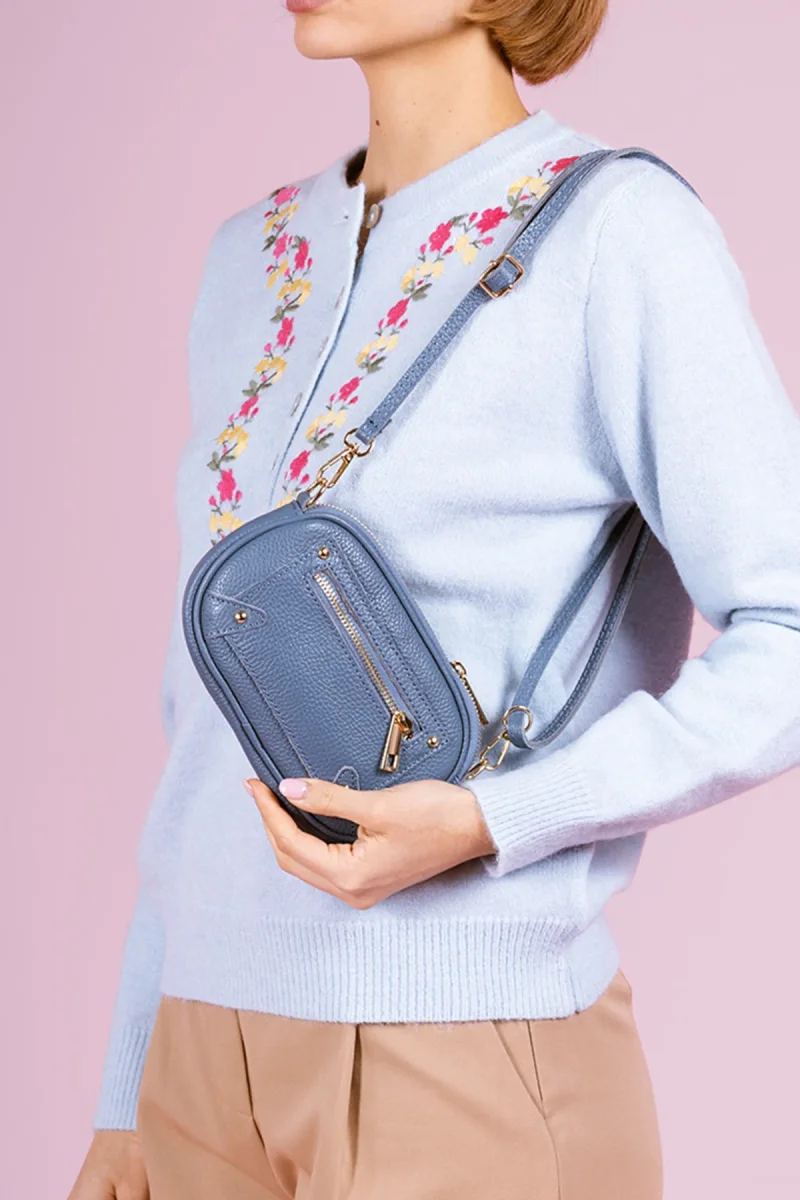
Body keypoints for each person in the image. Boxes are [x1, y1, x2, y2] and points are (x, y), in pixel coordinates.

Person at [69, 1, 800, 1198]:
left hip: (458, 1049)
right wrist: (129, 1085)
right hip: (198, 1066)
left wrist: (492, 818)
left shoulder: (617, 233)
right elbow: (203, 717)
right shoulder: (248, 255)